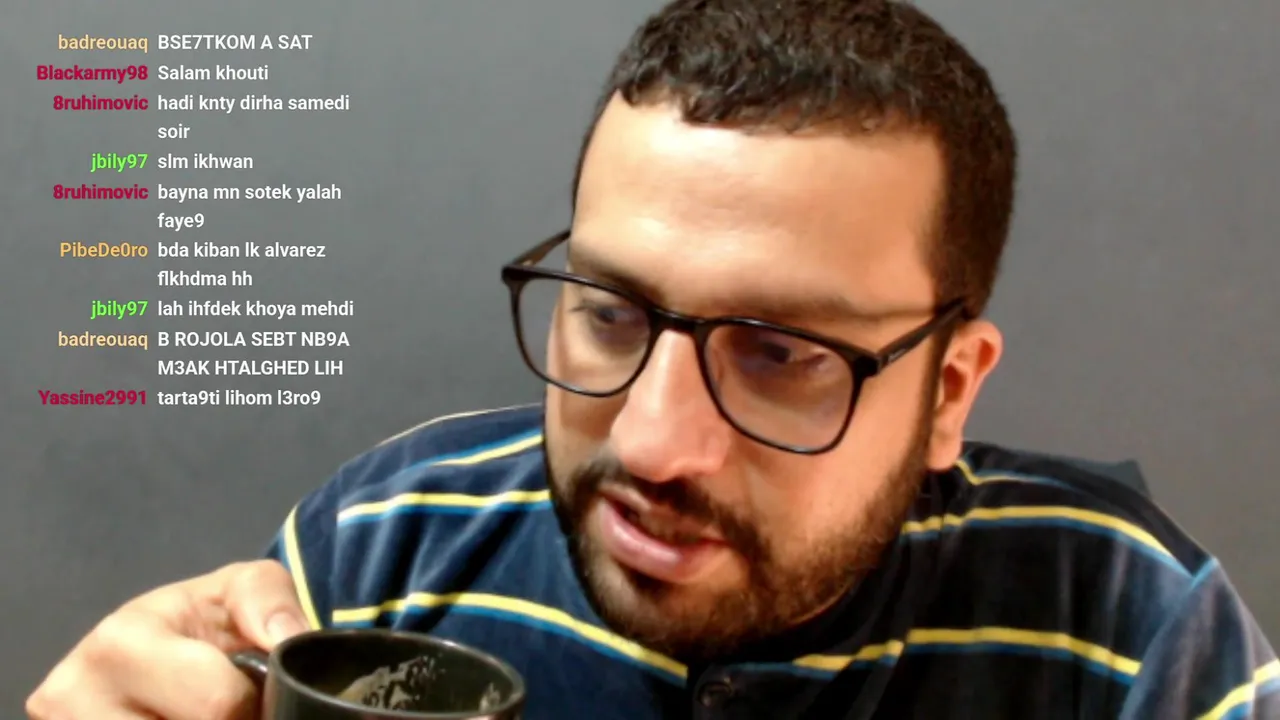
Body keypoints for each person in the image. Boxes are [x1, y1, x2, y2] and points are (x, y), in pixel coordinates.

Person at [28, 0, 1279, 718]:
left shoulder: (1128, 628)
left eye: (779, 352)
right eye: (610, 313)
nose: (649, 442)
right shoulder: (384, 547)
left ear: (946, 390)